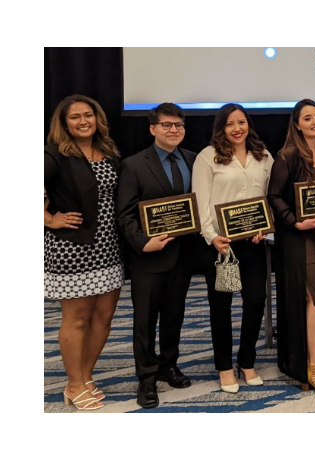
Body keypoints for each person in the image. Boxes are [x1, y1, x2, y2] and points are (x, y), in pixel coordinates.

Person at [116, 103, 197, 408]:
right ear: (152, 129)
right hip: (148, 257)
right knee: (145, 320)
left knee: (175, 316)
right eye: (167, 125)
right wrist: (142, 242)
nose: (174, 130)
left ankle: (168, 365)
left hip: (183, 255)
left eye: (179, 124)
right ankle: (146, 377)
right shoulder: (134, 165)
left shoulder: (193, 159)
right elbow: (124, 214)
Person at [45, 94, 123, 410]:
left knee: (103, 316)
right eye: (75, 117)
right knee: (76, 319)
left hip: (108, 247)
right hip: (72, 248)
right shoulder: (53, 155)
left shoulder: (108, 151)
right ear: (63, 123)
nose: (82, 121)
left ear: (97, 118)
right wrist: (49, 218)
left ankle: (85, 376)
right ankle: (74, 383)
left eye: (88, 115)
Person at [192, 103, 274, 393]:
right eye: (230, 124)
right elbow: (200, 202)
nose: (237, 128)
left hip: (253, 244)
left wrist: (265, 227)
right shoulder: (208, 157)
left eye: (241, 122)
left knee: (255, 301)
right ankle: (225, 366)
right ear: (220, 128)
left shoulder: (263, 156)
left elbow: (269, 198)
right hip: (222, 248)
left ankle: (247, 361)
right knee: (222, 306)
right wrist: (212, 236)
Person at [267, 99, 315, 393]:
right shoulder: (287, 156)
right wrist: (294, 221)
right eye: (308, 118)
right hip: (299, 240)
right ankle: (312, 365)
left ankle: (310, 360)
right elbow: (273, 196)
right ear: (297, 124)